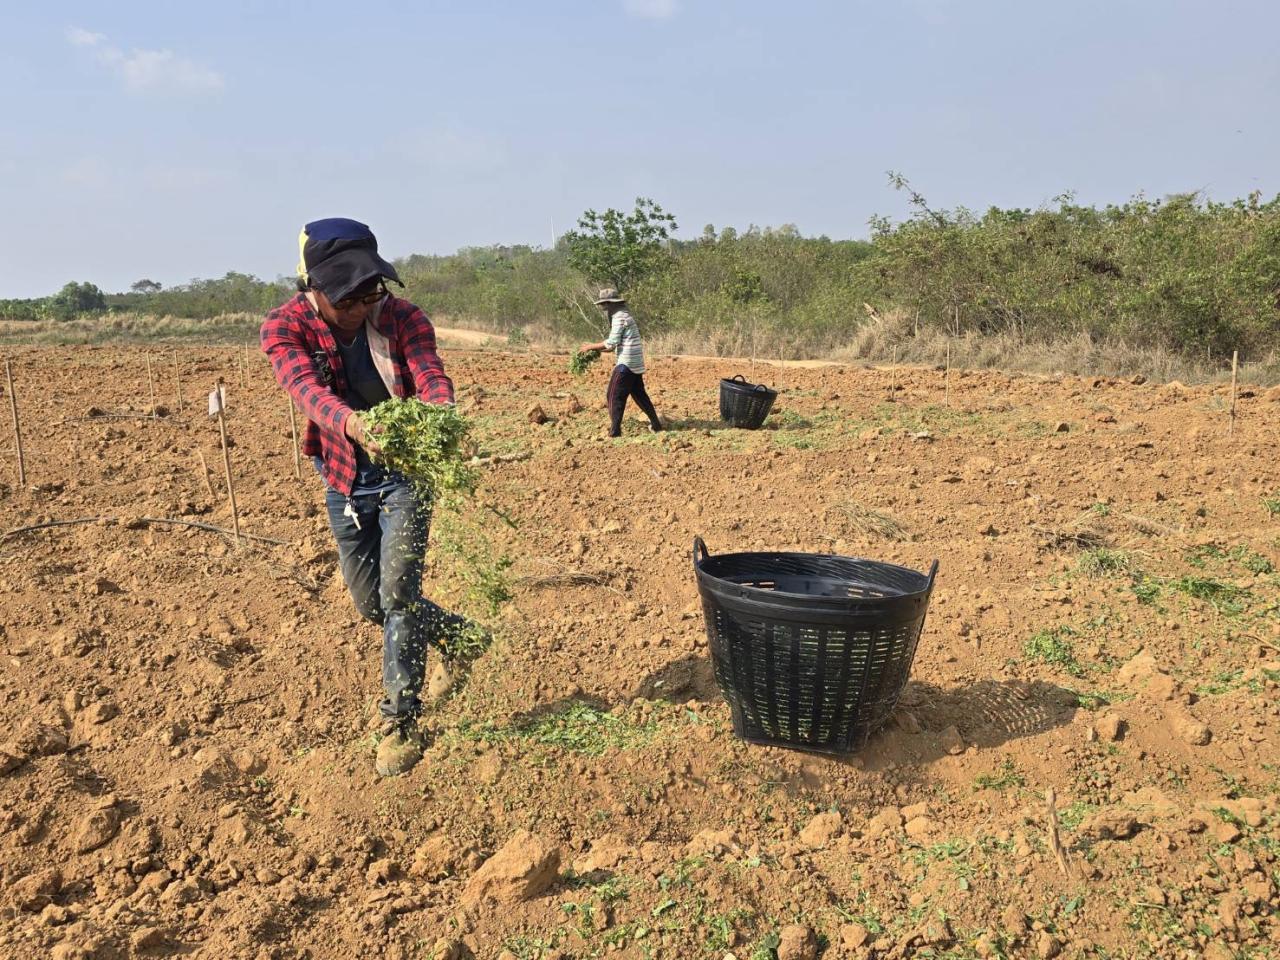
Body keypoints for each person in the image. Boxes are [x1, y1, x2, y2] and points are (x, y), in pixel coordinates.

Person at [261, 217, 455, 777]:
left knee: (399, 595)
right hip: (344, 473)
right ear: (313, 288)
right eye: (345, 298)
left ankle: (401, 719)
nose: (358, 307)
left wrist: (441, 415)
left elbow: (429, 374)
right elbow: (306, 390)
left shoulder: (402, 318)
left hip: (406, 472)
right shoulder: (284, 327)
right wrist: (354, 425)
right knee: (371, 603)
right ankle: (463, 637)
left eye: (368, 292)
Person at [579, 288, 662, 437]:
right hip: (635, 362)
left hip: (626, 363)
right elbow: (612, 346)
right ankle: (656, 425)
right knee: (640, 395)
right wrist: (596, 351)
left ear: (610, 303)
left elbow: (611, 342)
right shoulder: (625, 315)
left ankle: (615, 431)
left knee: (613, 395)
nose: (603, 307)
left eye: (604, 304)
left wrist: (590, 347)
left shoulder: (619, 317)